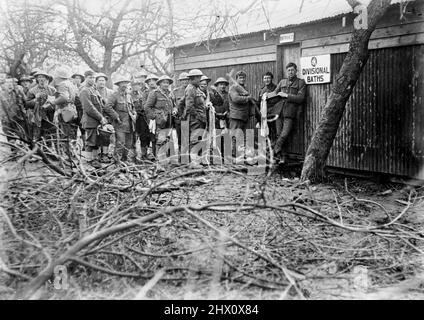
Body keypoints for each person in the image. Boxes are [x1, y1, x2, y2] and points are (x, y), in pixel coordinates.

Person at [272, 62, 306, 164]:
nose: (290, 72)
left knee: (284, 134)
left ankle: (274, 150)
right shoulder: (282, 82)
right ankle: (282, 157)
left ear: (296, 71)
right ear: (286, 71)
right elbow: (275, 93)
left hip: (290, 113)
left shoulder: (301, 82)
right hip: (279, 112)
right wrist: (267, 95)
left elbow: (300, 98)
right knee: (279, 134)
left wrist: (286, 95)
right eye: (289, 70)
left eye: (292, 70)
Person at [79, 70, 112, 168]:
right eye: (90, 77)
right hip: (90, 120)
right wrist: (100, 117)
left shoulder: (93, 90)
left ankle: (95, 159)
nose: (92, 79)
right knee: (90, 141)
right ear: (85, 78)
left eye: (93, 78)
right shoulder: (84, 90)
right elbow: (89, 108)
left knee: (96, 141)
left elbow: (100, 105)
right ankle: (89, 160)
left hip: (96, 120)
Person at [144, 75, 178, 164]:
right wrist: (155, 117)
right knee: (159, 139)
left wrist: (174, 110)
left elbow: (174, 105)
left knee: (169, 138)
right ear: (159, 84)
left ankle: (171, 159)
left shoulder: (170, 93)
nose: (166, 84)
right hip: (159, 121)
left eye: (167, 83)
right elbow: (147, 107)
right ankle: (159, 160)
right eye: (164, 83)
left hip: (169, 120)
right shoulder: (154, 93)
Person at [104, 76, 137, 164]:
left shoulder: (129, 96)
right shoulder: (114, 95)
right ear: (118, 85)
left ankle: (124, 160)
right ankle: (117, 162)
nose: (124, 85)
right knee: (120, 143)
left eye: (126, 83)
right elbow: (107, 107)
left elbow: (133, 108)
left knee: (129, 144)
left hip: (130, 124)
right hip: (120, 124)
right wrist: (116, 116)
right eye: (122, 83)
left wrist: (134, 114)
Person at [51, 66, 79, 159]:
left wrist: (53, 102)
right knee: (72, 132)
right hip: (72, 109)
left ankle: (67, 156)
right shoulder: (71, 84)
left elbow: (63, 97)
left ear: (58, 76)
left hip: (64, 110)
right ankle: (73, 153)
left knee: (64, 132)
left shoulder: (62, 84)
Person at [228, 71, 258, 158]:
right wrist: (247, 98)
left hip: (244, 116)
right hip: (236, 116)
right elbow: (236, 98)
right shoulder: (233, 88)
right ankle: (232, 156)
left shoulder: (244, 88)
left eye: (243, 77)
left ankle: (241, 155)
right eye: (240, 77)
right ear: (236, 79)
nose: (242, 79)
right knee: (235, 136)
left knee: (243, 137)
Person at [181, 69, 207, 168]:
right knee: (195, 140)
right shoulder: (191, 89)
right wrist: (197, 116)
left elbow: (181, 103)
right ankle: (194, 162)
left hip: (198, 119)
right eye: (198, 78)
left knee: (198, 139)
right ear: (193, 78)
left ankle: (196, 161)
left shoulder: (195, 88)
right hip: (195, 119)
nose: (200, 80)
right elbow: (189, 106)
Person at [25, 70, 56, 145]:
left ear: (47, 79)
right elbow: (26, 104)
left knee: (49, 134)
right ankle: (36, 151)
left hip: (50, 115)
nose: (41, 79)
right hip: (36, 116)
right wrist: (35, 100)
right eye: (39, 77)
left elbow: (57, 102)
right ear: (37, 79)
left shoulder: (52, 90)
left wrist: (51, 103)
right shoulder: (32, 90)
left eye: (43, 77)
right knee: (37, 135)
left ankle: (49, 151)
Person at [0, 77, 27, 156]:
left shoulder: (19, 92)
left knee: (22, 133)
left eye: (11, 83)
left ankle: (25, 150)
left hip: (19, 117)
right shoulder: (1, 94)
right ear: (4, 85)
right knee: (9, 133)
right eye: (7, 83)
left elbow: (25, 102)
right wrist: (4, 117)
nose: (9, 85)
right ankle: (14, 151)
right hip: (7, 118)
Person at [173, 72, 189, 146]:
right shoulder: (175, 92)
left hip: (190, 118)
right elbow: (173, 104)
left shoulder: (192, 90)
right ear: (180, 81)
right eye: (183, 80)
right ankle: (181, 155)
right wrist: (175, 109)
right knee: (180, 138)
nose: (185, 81)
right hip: (180, 118)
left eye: (186, 80)